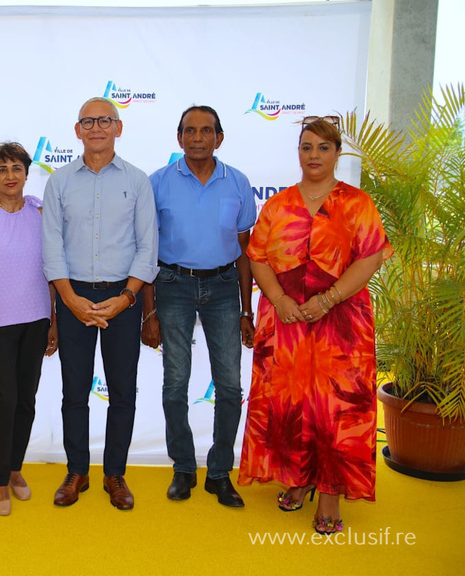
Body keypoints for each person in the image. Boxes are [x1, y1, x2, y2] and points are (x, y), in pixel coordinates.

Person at [237, 116, 391, 534]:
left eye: (323, 147)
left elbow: (370, 258)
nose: (314, 155)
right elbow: (257, 257)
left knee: (337, 408)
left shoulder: (357, 204)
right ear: (298, 153)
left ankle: (330, 493)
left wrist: (328, 299)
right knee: (291, 403)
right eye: (306, 147)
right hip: (285, 323)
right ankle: (298, 478)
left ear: (338, 153)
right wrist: (280, 300)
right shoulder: (278, 205)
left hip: (341, 326)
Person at [42, 97, 158, 511]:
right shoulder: (58, 182)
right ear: (77, 130)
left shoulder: (138, 181)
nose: (96, 128)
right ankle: (77, 471)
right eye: (88, 122)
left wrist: (127, 298)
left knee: (122, 391)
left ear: (118, 128)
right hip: (73, 295)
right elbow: (51, 246)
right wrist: (69, 299)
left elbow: (148, 247)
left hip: (123, 297)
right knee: (74, 391)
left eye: (105, 121)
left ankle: (115, 474)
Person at [141, 105, 256, 508]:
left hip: (224, 287)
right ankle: (184, 467)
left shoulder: (238, 182)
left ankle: (220, 472)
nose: (197, 138)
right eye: (189, 131)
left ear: (219, 138)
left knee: (230, 385)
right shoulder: (158, 183)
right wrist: (149, 312)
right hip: (172, 285)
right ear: (179, 138)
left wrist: (246, 310)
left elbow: (245, 253)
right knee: (176, 383)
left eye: (206, 131)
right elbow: (147, 252)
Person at [0, 142, 58, 516]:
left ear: (26, 173)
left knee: (26, 400)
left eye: (16, 168)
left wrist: (53, 320)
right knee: (5, 401)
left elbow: (51, 270)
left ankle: (15, 467)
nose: (10, 175)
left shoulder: (40, 212)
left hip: (36, 320)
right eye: (2, 169)